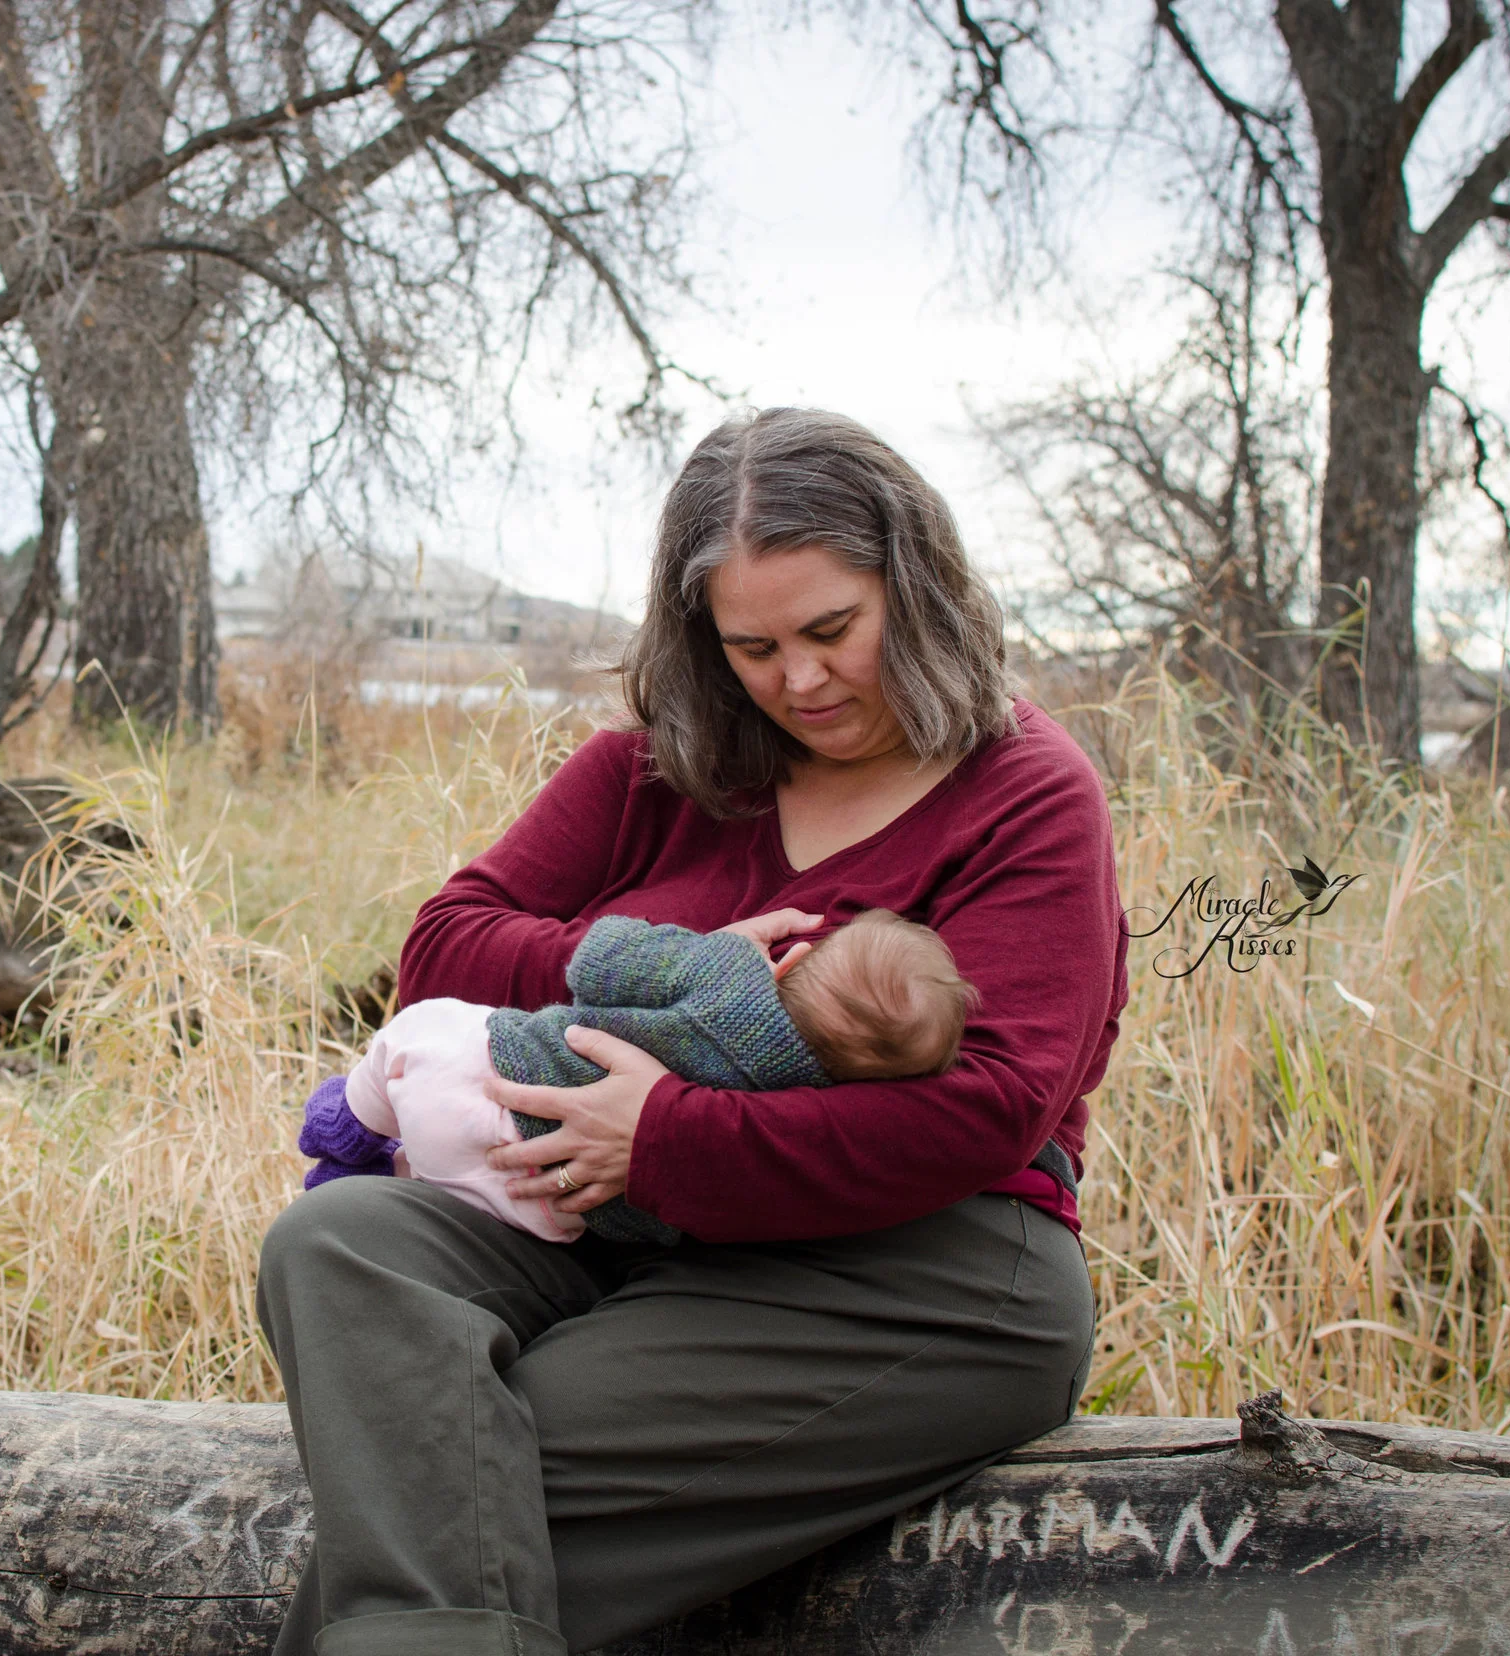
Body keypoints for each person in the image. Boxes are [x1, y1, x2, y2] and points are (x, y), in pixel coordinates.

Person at [257, 408, 1124, 1656]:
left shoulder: (1025, 791)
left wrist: (663, 1136)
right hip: (612, 1234)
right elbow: (441, 950)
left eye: (831, 630)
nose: (800, 681)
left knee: (464, 1472)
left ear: (916, 588)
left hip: (909, 1269)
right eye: (752, 647)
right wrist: (678, 967)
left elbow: (985, 1110)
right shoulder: (655, 771)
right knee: (340, 1238)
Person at [299, 907, 977, 1244]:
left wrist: (707, 944)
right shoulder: (806, 1103)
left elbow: (597, 962)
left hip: (490, 1081)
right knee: (450, 1180)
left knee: (421, 1028)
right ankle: (399, 1173)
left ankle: (348, 1130)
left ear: (795, 959)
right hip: (546, 1207)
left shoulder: (727, 972)